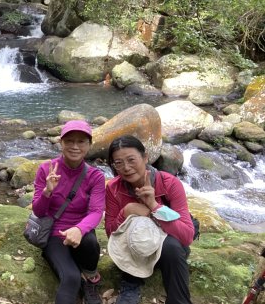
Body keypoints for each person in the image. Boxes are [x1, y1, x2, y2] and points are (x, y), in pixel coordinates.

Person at [105, 135, 195, 304]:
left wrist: (154, 206)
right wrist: (127, 211)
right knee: (136, 234)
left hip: (168, 246)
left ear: (145, 158)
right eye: (118, 163)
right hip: (135, 247)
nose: (126, 168)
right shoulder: (113, 188)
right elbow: (111, 233)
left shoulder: (169, 183)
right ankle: (131, 281)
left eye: (131, 160)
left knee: (172, 246)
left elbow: (187, 236)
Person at [32, 120, 105, 304]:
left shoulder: (95, 176)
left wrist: (79, 229)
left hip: (81, 233)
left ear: (89, 145)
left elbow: (96, 211)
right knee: (71, 278)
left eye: (81, 141)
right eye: (69, 141)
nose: (74, 146)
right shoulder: (46, 169)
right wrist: (47, 191)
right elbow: (39, 212)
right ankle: (77, 274)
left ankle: (90, 278)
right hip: (54, 234)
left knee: (90, 242)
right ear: (61, 143)